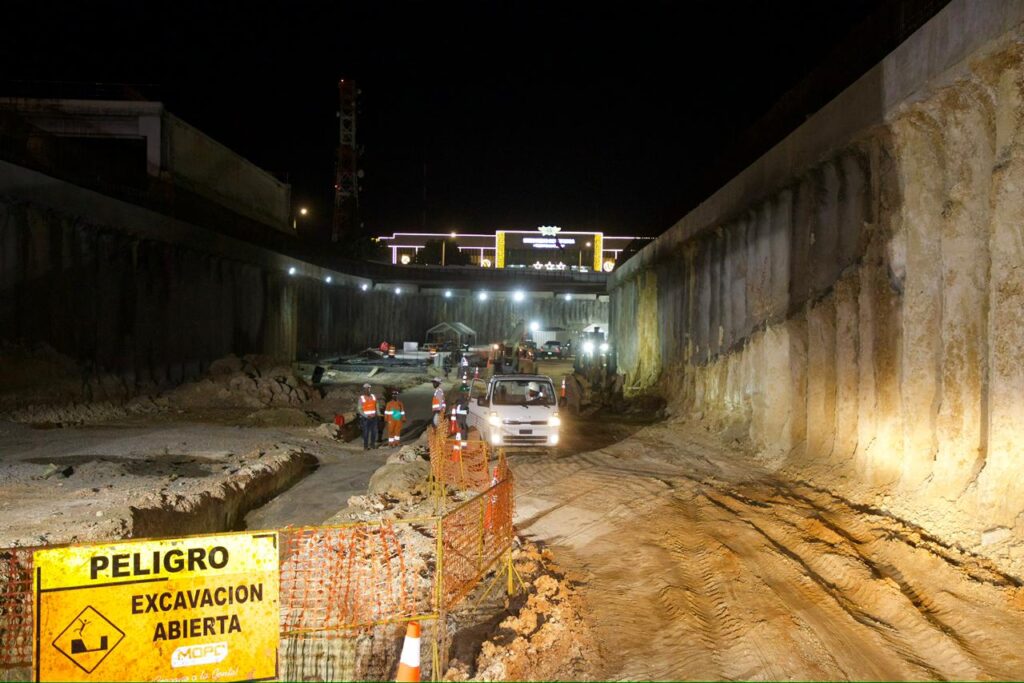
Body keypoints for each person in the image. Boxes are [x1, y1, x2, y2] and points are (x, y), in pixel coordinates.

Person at [358, 383, 378, 450]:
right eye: (365, 388)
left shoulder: (374, 396)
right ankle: (365, 446)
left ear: (370, 389)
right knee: (366, 433)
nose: (367, 390)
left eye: (368, 388)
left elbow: (376, 405)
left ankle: (372, 445)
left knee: (374, 432)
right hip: (366, 419)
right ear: (364, 389)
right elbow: (359, 409)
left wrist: (378, 413)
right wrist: (366, 415)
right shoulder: (362, 398)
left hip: (374, 417)